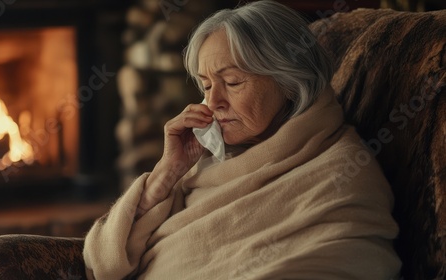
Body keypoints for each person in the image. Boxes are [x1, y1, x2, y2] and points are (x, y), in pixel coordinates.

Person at [83, 1, 401, 279]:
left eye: (233, 82)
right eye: (206, 86)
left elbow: (347, 263)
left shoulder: (343, 172)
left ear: (290, 81)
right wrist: (166, 173)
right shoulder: (205, 166)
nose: (213, 102)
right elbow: (103, 267)